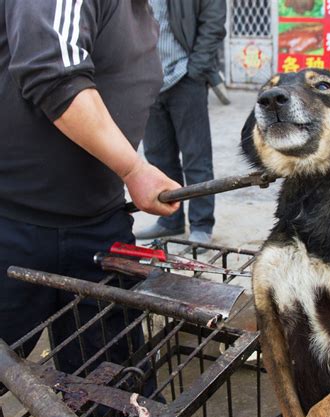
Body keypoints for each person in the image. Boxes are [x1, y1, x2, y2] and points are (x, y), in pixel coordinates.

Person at [0, 0, 180, 374]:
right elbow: (53, 72)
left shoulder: (141, 13)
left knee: (113, 383)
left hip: (98, 220)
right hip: (15, 221)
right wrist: (133, 167)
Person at [135, 0, 227, 245]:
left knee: (196, 157)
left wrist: (196, 69)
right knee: (158, 157)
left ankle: (201, 224)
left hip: (185, 76)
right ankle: (169, 220)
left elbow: (214, 22)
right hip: (146, 78)